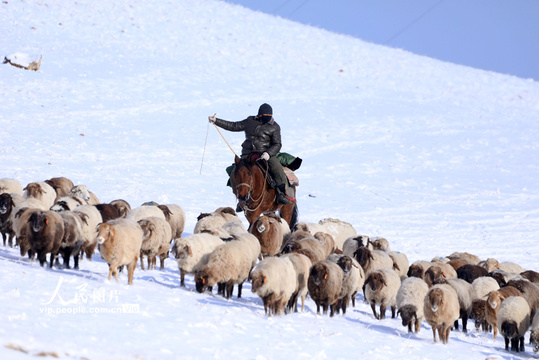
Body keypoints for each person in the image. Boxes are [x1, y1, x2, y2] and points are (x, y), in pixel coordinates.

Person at [209, 103, 291, 206]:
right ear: (259, 115)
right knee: (235, 172)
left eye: (269, 116)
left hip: (265, 154)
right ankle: (240, 197)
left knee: (277, 170)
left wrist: (268, 153)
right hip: (247, 155)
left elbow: (277, 144)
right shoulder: (250, 121)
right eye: (265, 115)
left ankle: (280, 194)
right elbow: (234, 126)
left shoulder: (275, 127)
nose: (267, 118)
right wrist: (217, 121)